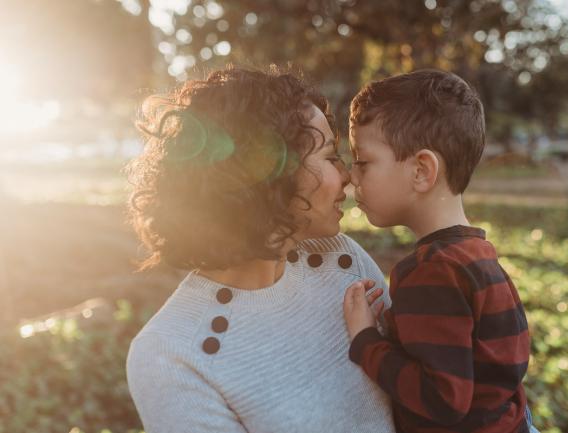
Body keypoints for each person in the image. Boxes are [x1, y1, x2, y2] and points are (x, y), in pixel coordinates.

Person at [125, 66, 395, 433]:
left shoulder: (343, 260)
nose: (347, 175)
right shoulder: (170, 354)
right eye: (331, 157)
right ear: (272, 172)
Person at [341, 69, 539, 433]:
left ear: (422, 171)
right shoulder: (477, 252)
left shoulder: (430, 270)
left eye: (363, 161)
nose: (352, 176)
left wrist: (366, 341)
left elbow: (443, 399)